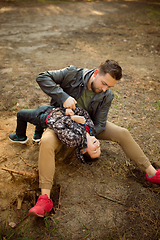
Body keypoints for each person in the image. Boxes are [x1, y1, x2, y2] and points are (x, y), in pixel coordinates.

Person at [23, 59, 160, 218]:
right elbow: (42, 77)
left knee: (122, 132)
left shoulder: (107, 95)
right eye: (103, 83)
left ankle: (151, 173)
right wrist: (63, 97)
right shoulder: (73, 74)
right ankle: (44, 199)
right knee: (46, 141)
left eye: (109, 86)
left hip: (88, 126)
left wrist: (86, 135)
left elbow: (100, 124)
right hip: (62, 122)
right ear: (95, 73)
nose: (104, 89)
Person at [9, 105, 101, 163]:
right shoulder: (91, 130)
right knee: (41, 107)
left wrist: (72, 118)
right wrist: (69, 110)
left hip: (47, 117)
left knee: (21, 114)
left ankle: (20, 136)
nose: (98, 144)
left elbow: (58, 126)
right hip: (55, 110)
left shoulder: (75, 140)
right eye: (99, 147)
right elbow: (84, 113)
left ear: (84, 150)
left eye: (95, 150)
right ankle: (37, 136)